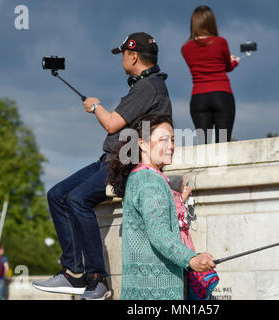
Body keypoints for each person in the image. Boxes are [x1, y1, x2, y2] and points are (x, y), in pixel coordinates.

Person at [33, 32, 173, 300]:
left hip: (124, 162)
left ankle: (97, 279)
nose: (121, 58)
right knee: (56, 195)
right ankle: (73, 272)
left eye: (123, 54)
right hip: (110, 158)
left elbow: (111, 123)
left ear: (133, 55)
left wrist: (95, 105)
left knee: (77, 199)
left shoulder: (148, 87)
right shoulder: (148, 85)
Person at [107, 113, 216, 300]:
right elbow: (159, 233)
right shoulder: (150, 181)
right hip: (156, 293)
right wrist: (190, 259)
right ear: (142, 143)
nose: (171, 146)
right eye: (163, 140)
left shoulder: (140, 177)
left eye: (173, 140)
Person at [181, 5, 239, 144]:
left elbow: (199, 67)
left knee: (204, 146)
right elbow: (226, 67)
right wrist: (234, 62)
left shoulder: (185, 48)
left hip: (198, 98)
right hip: (222, 95)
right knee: (223, 144)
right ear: (211, 22)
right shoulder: (221, 43)